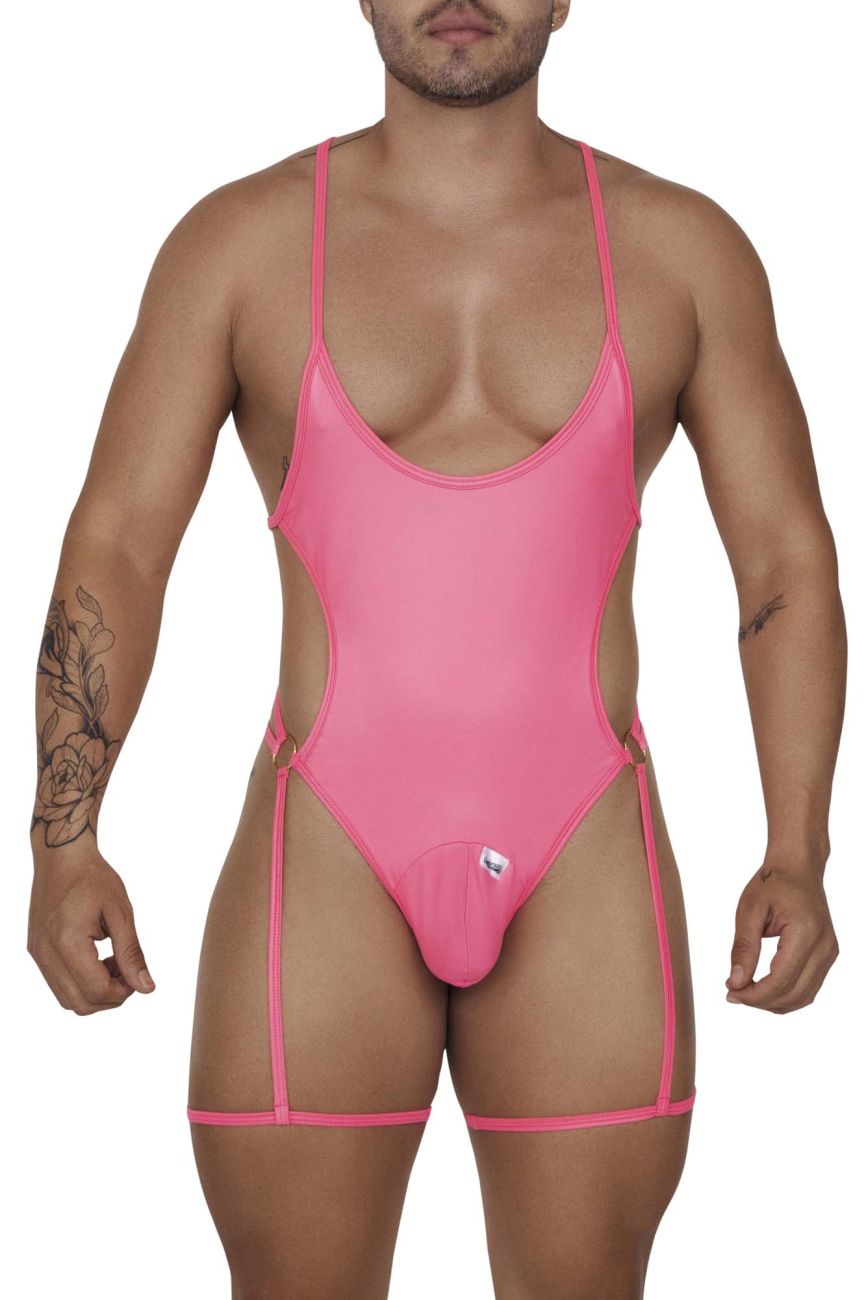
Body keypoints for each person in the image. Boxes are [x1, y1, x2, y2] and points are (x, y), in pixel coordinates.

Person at [27, 2, 845, 1296]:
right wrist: (63, 842)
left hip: (583, 849)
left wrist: (797, 850)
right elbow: (119, 544)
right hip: (326, 848)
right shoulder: (239, 246)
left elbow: (783, 561)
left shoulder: (680, 250)